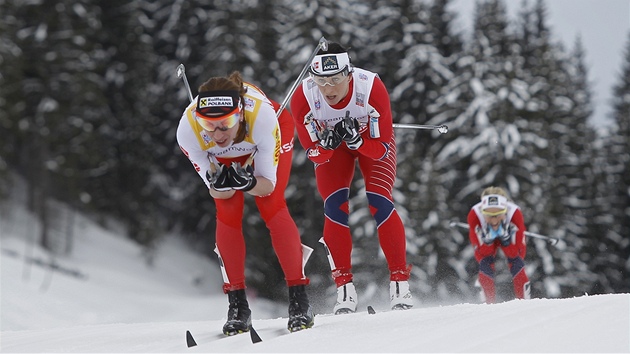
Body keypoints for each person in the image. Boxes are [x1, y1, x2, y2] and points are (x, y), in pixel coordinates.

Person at [176, 72, 314, 334]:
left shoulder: (262, 119)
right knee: (226, 211)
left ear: (239, 114)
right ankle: (237, 305)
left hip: (265, 136)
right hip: (225, 155)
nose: (217, 133)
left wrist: (249, 183)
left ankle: (299, 300)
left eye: (225, 123)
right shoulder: (189, 132)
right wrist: (221, 184)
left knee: (271, 205)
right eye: (209, 125)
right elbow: (220, 195)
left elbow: (267, 186)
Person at [289, 42, 413, 314]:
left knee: (379, 200)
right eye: (321, 80)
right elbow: (313, 154)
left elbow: (380, 149)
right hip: (334, 149)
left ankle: (400, 285)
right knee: (333, 207)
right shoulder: (304, 96)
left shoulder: (370, 87)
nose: (328, 89)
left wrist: (357, 140)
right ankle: (345, 290)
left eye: (335, 79)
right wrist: (327, 146)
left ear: (349, 74)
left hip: (370, 142)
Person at [467, 186, 531, 303]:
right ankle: (488, 303)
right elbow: (481, 256)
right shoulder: (474, 215)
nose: (494, 220)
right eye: (489, 215)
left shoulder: (515, 214)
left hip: (509, 233)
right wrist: (487, 242)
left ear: (505, 210)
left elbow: (518, 254)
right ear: (482, 212)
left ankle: (523, 302)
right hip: (485, 234)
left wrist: (506, 241)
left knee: (517, 262)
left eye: (498, 214)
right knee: (485, 263)